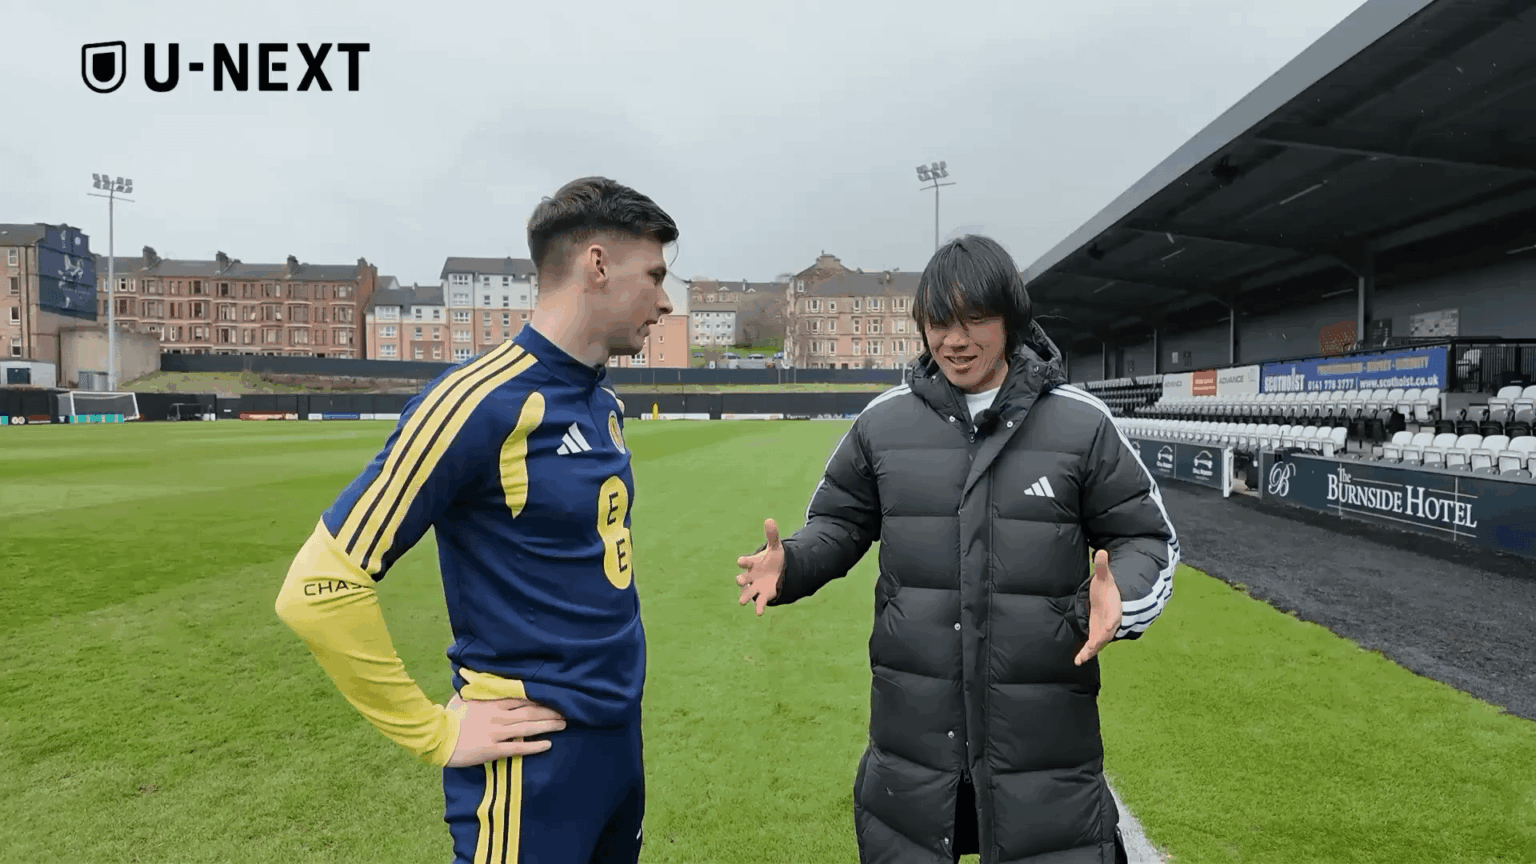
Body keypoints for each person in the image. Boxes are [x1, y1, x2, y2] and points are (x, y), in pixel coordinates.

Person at [734, 235, 1178, 864]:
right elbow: (837, 522)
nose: (956, 340)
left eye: (976, 319)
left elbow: (1145, 536)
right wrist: (796, 561)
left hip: (1043, 747)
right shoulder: (884, 423)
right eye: (939, 322)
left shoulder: (1079, 424)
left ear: (1012, 320)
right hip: (912, 749)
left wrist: (1122, 598)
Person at [275, 176, 677, 864]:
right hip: (531, 761)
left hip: (616, 743)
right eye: (656, 275)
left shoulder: (601, 403)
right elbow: (319, 585)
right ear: (598, 264)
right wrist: (434, 733)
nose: (666, 301)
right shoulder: (477, 401)